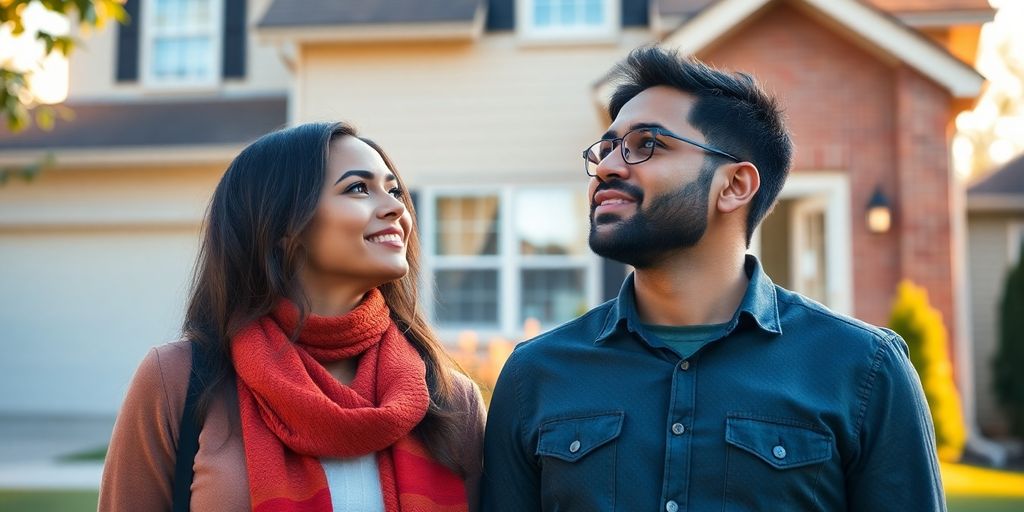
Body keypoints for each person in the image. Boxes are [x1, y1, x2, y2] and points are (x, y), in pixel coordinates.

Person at [481, 47, 945, 511]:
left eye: (648, 145)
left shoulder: (863, 370)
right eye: (605, 149)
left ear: (735, 186)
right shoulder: (534, 375)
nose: (606, 167)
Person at [99, 122, 485, 512]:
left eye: (394, 190)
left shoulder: (451, 400)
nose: (396, 207)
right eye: (357, 188)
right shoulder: (178, 380)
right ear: (282, 227)